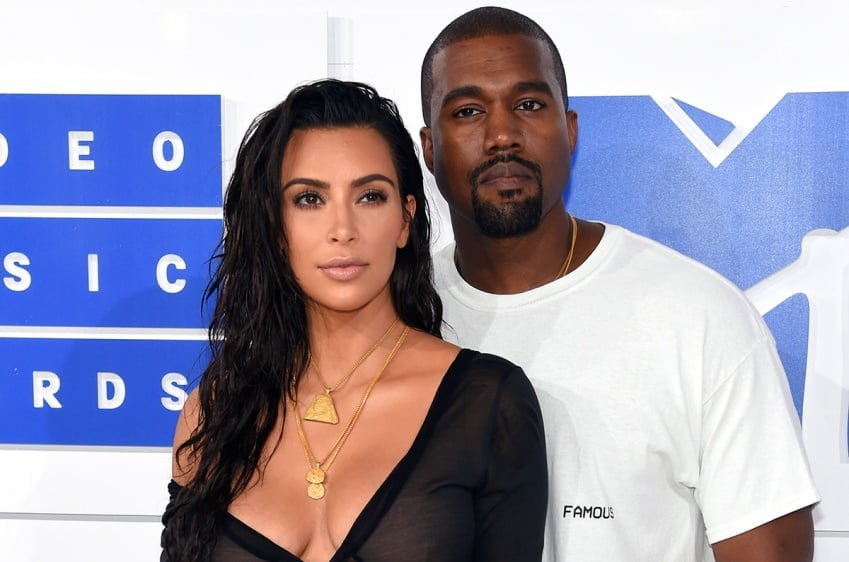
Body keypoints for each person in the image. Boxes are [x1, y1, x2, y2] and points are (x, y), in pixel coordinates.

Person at [419, 7, 819, 562]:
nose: (502, 134)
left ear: (571, 129)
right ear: (429, 148)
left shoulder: (699, 317)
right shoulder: (397, 316)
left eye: (529, 104)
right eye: (467, 111)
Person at [161, 79, 547, 562]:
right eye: (309, 199)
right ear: (275, 227)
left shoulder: (488, 404)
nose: (343, 230)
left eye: (369, 197)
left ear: (406, 219)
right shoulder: (213, 410)